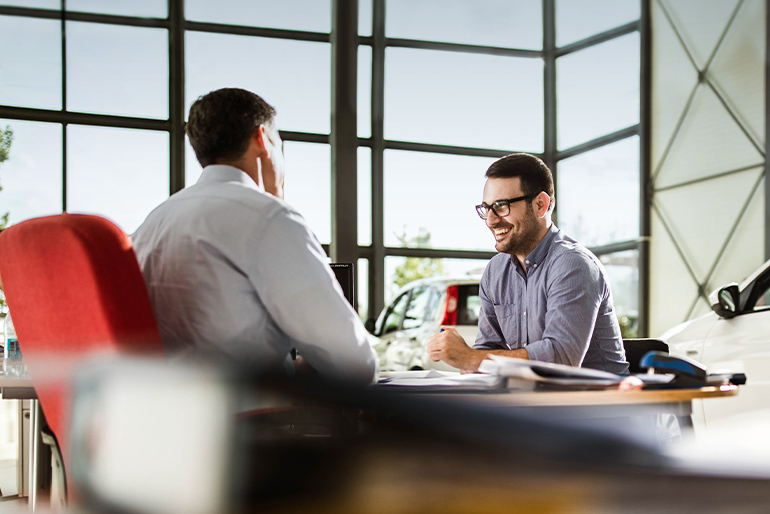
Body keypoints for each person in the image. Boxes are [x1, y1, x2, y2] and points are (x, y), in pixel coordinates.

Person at [132, 88, 377, 386]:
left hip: (172, 416)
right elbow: (356, 364)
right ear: (261, 138)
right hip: (250, 425)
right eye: (280, 146)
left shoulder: (154, 221)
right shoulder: (269, 218)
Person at [426, 153, 628, 374]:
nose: (491, 220)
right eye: (487, 208)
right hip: (535, 400)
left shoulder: (573, 264)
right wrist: (467, 359)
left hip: (599, 403)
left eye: (501, 206)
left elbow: (560, 359)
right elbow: (486, 352)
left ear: (540, 205)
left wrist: (468, 358)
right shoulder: (496, 271)